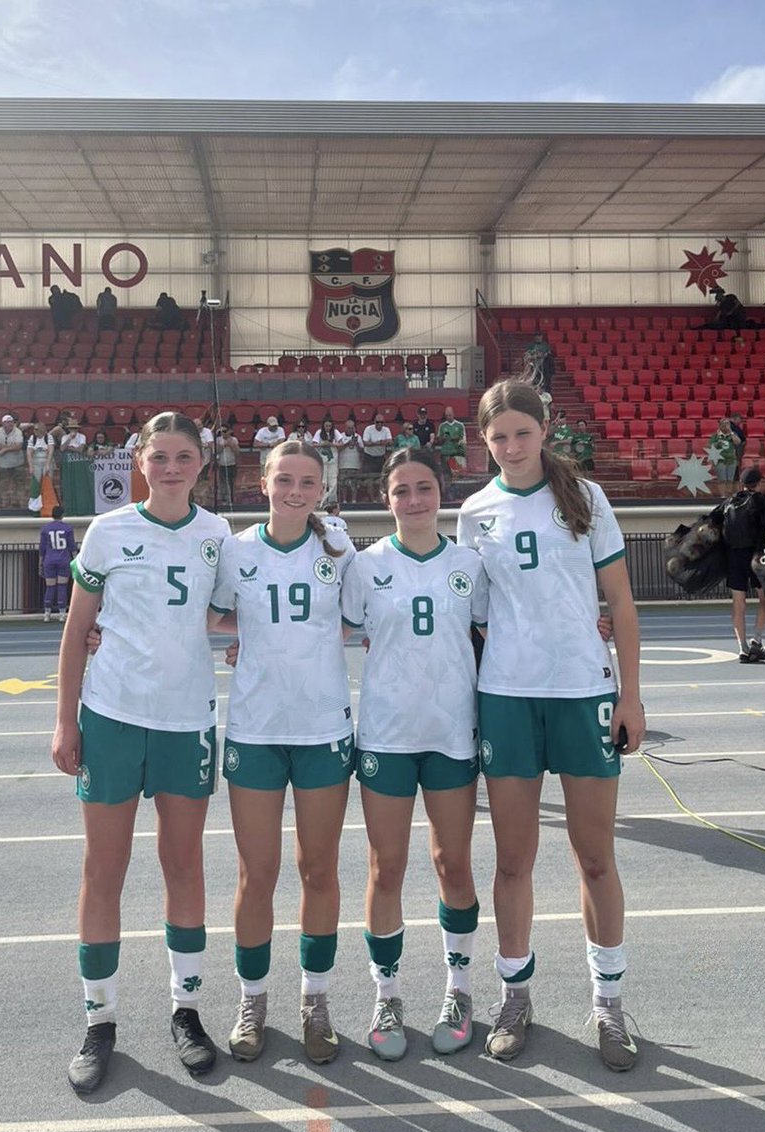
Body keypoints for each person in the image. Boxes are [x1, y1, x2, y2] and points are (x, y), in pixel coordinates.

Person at [457, 378, 645, 1073]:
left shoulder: (586, 498)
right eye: (498, 436)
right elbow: (470, 618)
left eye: (521, 433)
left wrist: (631, 696)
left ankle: (609, 1001)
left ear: (544, 432)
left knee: (595, 857)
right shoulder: (475, 512)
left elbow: (621, 603)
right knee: (513, 860)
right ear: (485, 440)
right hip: (506, 695)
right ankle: (515, 994)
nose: (510, 447)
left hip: (582, 692)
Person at [52, 411, 231, 1094]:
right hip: (114, 716)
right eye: (159, 456)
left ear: (200, 463)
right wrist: (65, 722)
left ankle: (186, 1009)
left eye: (184, 455)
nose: (171, 467)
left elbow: (226, 613)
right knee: (104, 869)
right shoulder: (109, 530)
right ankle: (99, 1021)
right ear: (140, 461)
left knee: (183, 865)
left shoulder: (219, 536)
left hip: (186, 720)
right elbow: (77, 630)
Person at [210, 441, 355, 1065]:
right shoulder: (235, 549)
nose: (295, 491)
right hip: (256, 729)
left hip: (323, 726)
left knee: (319, 870)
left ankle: (315, 998)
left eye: (307, 482)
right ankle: (252, 998)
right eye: (284, 479)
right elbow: (212, 619)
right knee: (257, 873)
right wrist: (251, 641)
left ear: (322, 488)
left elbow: (362, 622)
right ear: (262, 482)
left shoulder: (340, 548)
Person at [342, 447, 487, 1061]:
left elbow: (506, 625)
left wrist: (591, 624)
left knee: (453, 864)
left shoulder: (471, 566)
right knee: (388, 867)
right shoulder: (363, 566)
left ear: (442, 493)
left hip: (452, 733)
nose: (414, 500)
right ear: (386, 499)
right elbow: (321, 628)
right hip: (387, 735)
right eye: (401, 490)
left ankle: (459, 987)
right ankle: (387, 992)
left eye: (424, 487)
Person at [709, 466, 765, 664]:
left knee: (738, 604)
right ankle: (757, 640)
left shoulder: (728, 502)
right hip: (758, 556)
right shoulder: (762, 500)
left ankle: (742, 647)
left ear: (741, 484)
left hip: (735, 557)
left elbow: (712, 525)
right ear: (759, 483)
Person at [39, 504, 77, 621]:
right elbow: (72, 546)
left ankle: (47, 614)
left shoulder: (45, 529)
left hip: (49, 560)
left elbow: (42, 548)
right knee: (62, 586)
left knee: (50, 587)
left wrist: (40, 562)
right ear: (62, 515)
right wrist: (75, 560)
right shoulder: (68, 528)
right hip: (63, 559)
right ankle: (62, 614)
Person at [59, 420, 94, 516]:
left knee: (81, 485)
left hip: (80, 464)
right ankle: (70, 510)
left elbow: (81, 449)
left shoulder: (82, 436)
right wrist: (69, 439)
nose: (73, 430)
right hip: (68, 464)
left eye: (74, 428)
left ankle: (83, 509)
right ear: (69, 429)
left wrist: (70, 448)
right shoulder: (65, 437)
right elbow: (62, 448)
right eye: (71, 428)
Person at [0, 414, 26, 509]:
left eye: (11, 422)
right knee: (3, 485)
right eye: (7, 422)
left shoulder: (18, 431)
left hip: (18, 463)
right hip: (3, 464)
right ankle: (4, 505)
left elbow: (19, 446)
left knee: (20, 485)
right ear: (3, 423)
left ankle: (21, 506)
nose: (10, 424)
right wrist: (11, 447)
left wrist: (4, 450)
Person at [361, 414, 393, 499]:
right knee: (370, 479)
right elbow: (365, 443)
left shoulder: (386, 430)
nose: (379, 424)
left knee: (381, 478)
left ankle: (380, 498)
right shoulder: (369, 429)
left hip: (380, 457)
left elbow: (390, 441)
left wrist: (383, 442)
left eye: (381, 422)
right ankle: (371, 499)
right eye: (377, 422)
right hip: (369, 457)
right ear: (374, 422)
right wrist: (378, 443)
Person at [312, 417, 341, 506]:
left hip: (333, 460)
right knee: (323, 481)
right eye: (326, 426)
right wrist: (323, 444)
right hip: (323, 461)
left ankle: (333, 501)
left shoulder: (335, 432)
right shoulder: (319, 432)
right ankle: (322, 501)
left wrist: (331, 444)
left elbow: (341, 443)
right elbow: (314, 444)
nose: (328, 427)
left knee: (333, 481)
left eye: (329, 426)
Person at [708, 418, 740, 496]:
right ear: (720, 426)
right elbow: (711, 447)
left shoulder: (733, 434)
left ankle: (728, 495)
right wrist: (718, 443)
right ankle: (722, 496)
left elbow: (738, 442)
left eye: (727, 424)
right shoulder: (715, 435)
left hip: (731, 460)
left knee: (730, 480)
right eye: (723, 424)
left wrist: (731, 432)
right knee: (722, 480)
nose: (725, 426)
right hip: (720, 461)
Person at [337, 418, 364, 503]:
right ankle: (344, 500)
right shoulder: (340, 436)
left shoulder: (358, 437)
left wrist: (357, 445)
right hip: (343, 464)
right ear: (345, 428)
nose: (350, 429)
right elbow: (338, 449)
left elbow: (362, 451)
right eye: (349, 428)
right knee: (343, 484)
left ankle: (354, 500)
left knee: (354, 484)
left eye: (352, 428)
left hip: (355, 464)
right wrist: (347, 444)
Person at [215, 423, 240, 508]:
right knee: (223, 483)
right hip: (222, 464)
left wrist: (231, 445)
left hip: (232, 464)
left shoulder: (234, 440)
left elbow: (237, 453)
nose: (223, 433)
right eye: (221, 431)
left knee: (231, 482)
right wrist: (222, 446)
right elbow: (216, 452)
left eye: (225, 431)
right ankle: (224, 499)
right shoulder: (218, 440)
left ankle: (232, 499)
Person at [729, 411, 747, 482]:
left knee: (736, 466)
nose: (740, 421)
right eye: (740, 419)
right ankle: (734, 480)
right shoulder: (730, 427)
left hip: (738, 449)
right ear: (735, 418)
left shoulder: (735, 426)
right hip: (734, 449)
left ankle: (735, 479)